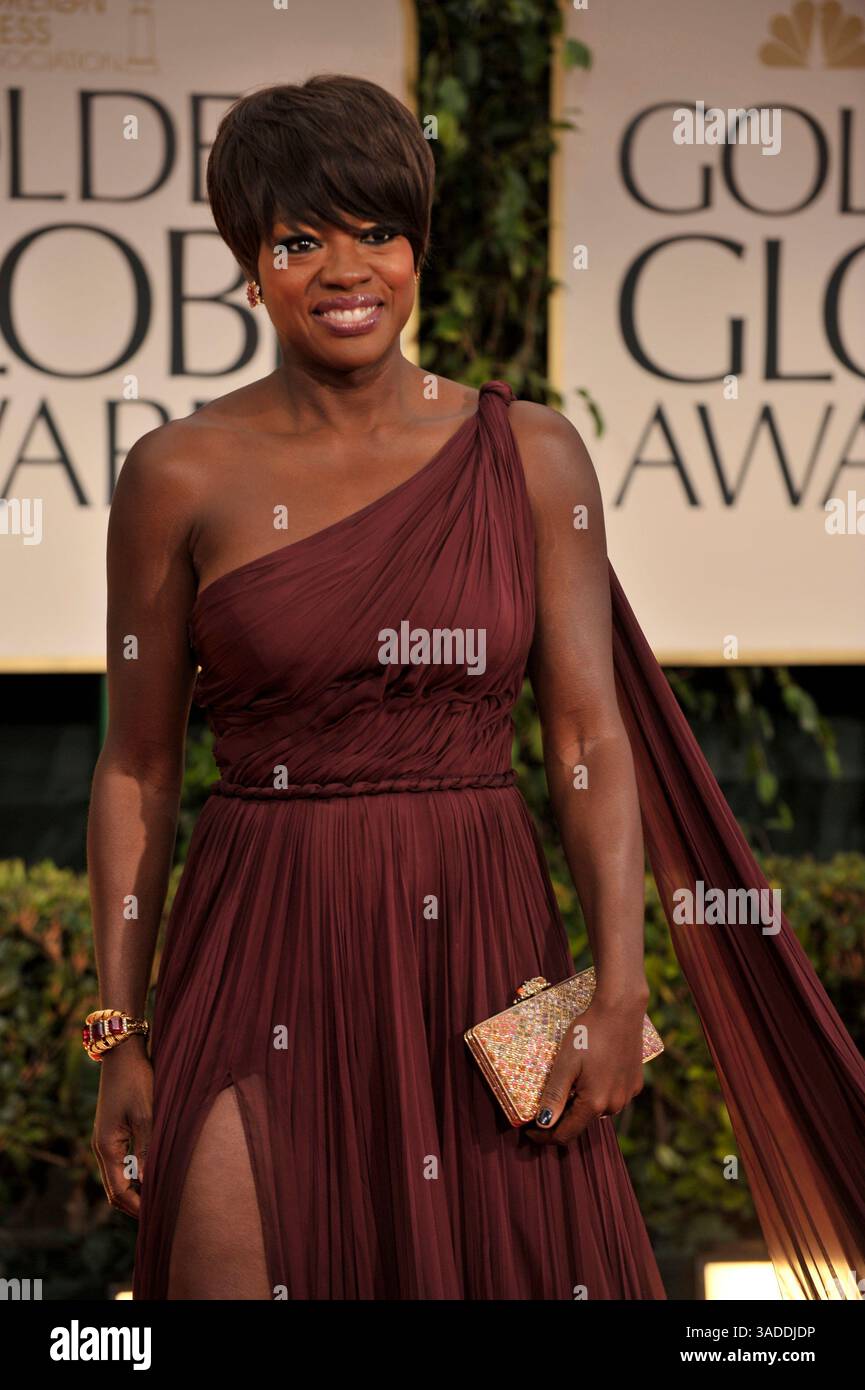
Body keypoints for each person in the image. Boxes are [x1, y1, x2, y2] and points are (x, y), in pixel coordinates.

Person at [87, 75, 865, 1301]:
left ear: (418, 248)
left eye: (378, 233)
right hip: (258, 931)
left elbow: (586, 735)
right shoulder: (176, 474)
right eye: (299, 241)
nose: (347, 272)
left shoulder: (531, 452)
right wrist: (118, 1033)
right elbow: (135, 766)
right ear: (249, 265)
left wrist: (621, 987)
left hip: (476, 940)